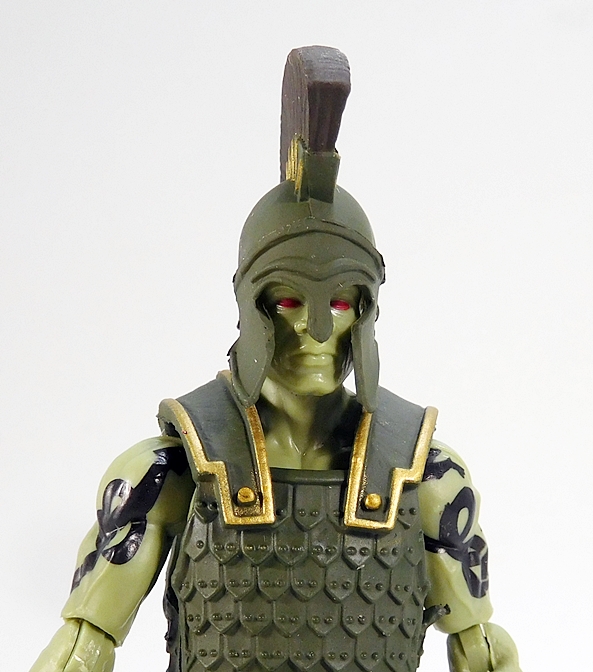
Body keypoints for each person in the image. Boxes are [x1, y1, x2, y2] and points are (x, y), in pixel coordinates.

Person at [30, 46, 521, 672]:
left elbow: (482, 648)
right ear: (252, 304)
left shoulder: (425, 476)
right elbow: (81, 649)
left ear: (365, 309)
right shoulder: (170, 470)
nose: (316, 329)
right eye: (290, 300)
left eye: (340, 302)